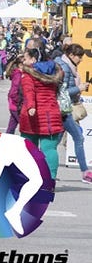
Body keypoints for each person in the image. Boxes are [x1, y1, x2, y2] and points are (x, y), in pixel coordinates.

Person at [19, 48, 65, 181]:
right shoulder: (55, 72)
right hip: (51, 114)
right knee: (49, 149)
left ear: (34, 59)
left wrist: (31, 107)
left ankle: (30, 177)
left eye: (26, 58)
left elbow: (29, 92)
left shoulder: (28, 75)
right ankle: (50, 179)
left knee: (30, 149)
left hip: (32, 116)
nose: (24, 61)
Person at [55, 44, 91, 183]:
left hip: (62, 108)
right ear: (71, 55)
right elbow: (62, 93)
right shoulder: (65, 68)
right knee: (78, 138)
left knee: (55, 142)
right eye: (79, 56)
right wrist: (79, 88)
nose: (81, 59)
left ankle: (47, 171)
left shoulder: (65, 65)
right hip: (63, 109)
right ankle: (85, 172)